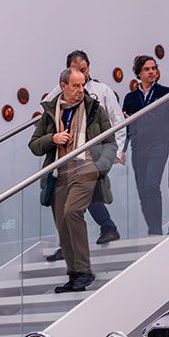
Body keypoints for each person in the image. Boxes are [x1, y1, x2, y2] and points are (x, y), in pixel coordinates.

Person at [31, 68, 117, 293]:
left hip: (86, 169)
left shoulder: (94, 109)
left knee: (72, 212)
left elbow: (110, 141)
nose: (80, 90)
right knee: (62, 224)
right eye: (76, 85)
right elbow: (35, 145)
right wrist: (53, 138)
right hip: (59, 173)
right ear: (63, 86)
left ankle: (84, 270)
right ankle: (75, 275)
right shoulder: (51, 112)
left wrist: (100, 166)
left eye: (82, 85)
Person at [58, 50, 124, 249]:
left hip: (95, 151)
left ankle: (104, 229)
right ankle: (106, 228)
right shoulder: (60, 92)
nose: (81, 74)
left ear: (89, 68)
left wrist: (116, 153)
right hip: (70, 153)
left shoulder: (102, 90)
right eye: (76, 70)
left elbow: (118, 122)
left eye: (83, 69)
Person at [122, 55, 169, 236]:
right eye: (146, 69)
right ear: (139, 73)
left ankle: (156, 230)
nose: (151, 71)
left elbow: (164, 118)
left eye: (153, 68)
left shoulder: (166, 93)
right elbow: (126, 126)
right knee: (143, 190)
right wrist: (122, 150)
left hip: (159, 144)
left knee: (152, 185)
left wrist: (137, 119)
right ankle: (152, 229)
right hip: (138, 147)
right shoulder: (129, 98)